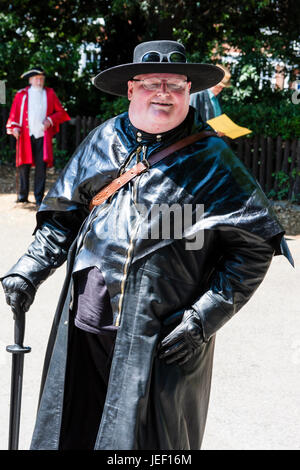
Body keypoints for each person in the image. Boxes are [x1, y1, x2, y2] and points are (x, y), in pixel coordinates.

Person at [1, 40, 293, 450]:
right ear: (131, 88)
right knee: (76, 425)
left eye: (175, 85)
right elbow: (63, 219)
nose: (164, 93)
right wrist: (27, 269)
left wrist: (203, 318)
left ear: (189, 92)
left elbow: (254, 247)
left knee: (147, 443)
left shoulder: (214, 159)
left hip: (161, 335)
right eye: (153, 83)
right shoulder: (104, 139)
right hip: (86, 324)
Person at [6, 67, 70, 207]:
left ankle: (39, 198)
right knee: (24, 166)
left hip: (42, 135)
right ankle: (22, 196)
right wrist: (15, 127)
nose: (40, 81)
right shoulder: (21, 95)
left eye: (42, 78)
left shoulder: (50, 93)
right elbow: (14, 114)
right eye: (37, 79)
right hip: (25, 135)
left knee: (41, 168)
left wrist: (50, 120)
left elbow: (60, 112)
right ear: (30, 80)